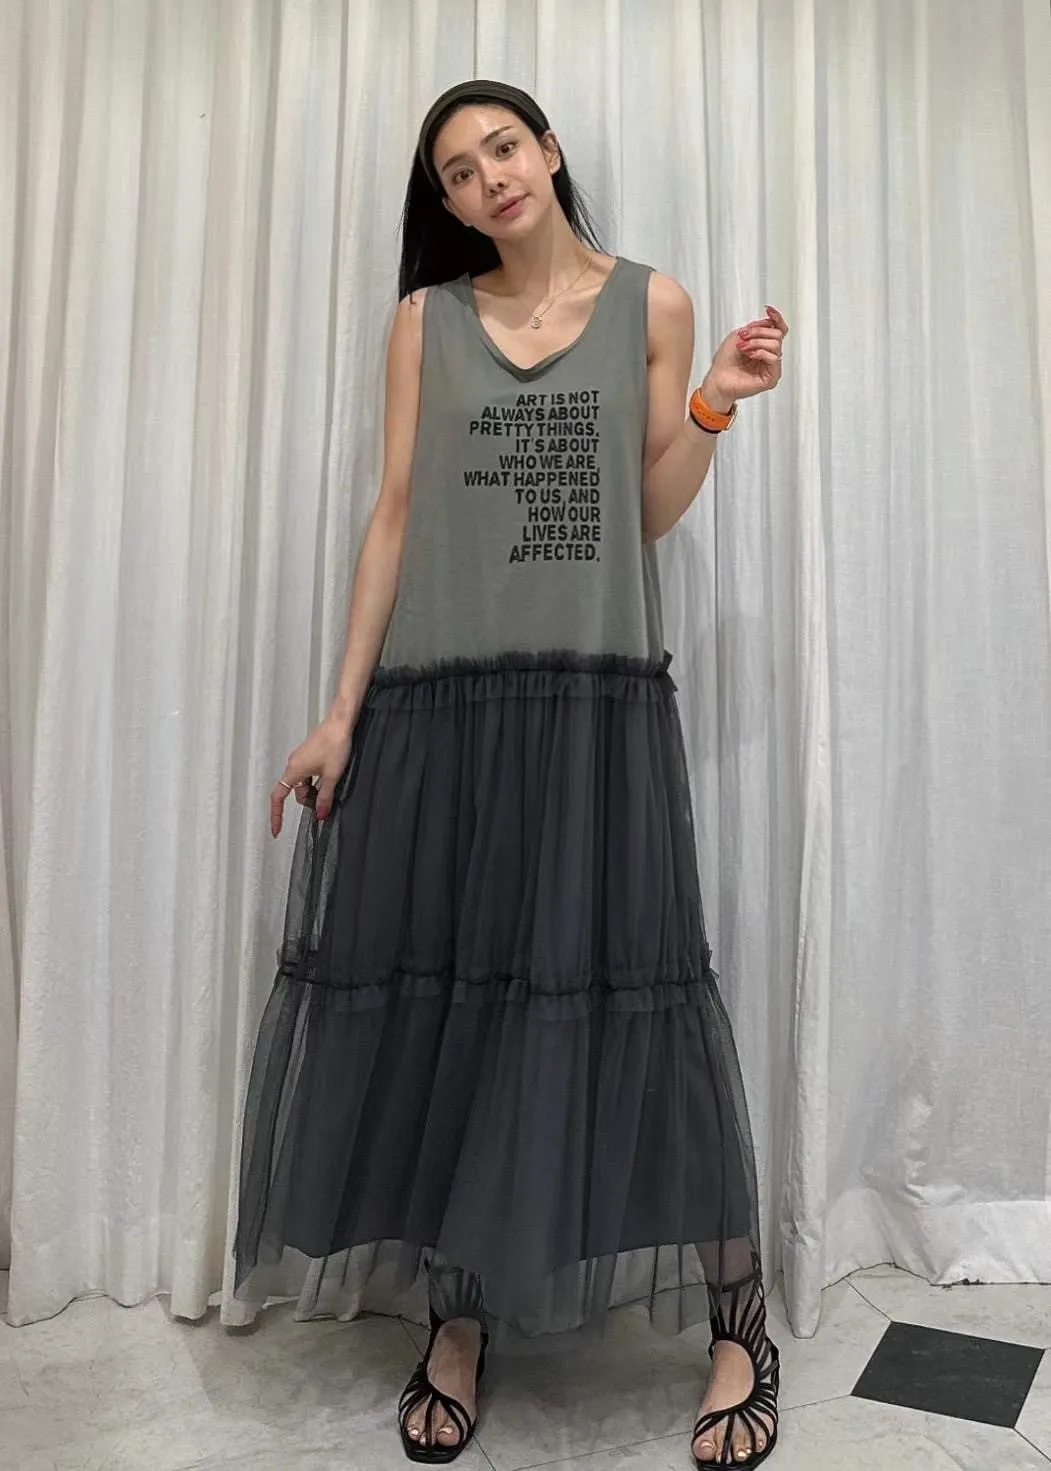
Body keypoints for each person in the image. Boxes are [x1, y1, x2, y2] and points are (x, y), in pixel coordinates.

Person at [233, 79, 788, 1469]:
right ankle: (458, 1321)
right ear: (448, 203)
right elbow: (396, 515)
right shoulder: (424, 322)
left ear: (547, 151)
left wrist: (712, 404)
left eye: (504, 147)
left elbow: (637, 512)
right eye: (459, 169)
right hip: (445, 704)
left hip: (594, 699)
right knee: (462, 1002)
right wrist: (340, 714)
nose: (490, 176)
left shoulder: (650, 304)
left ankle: (738, 1320)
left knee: (641, 990)